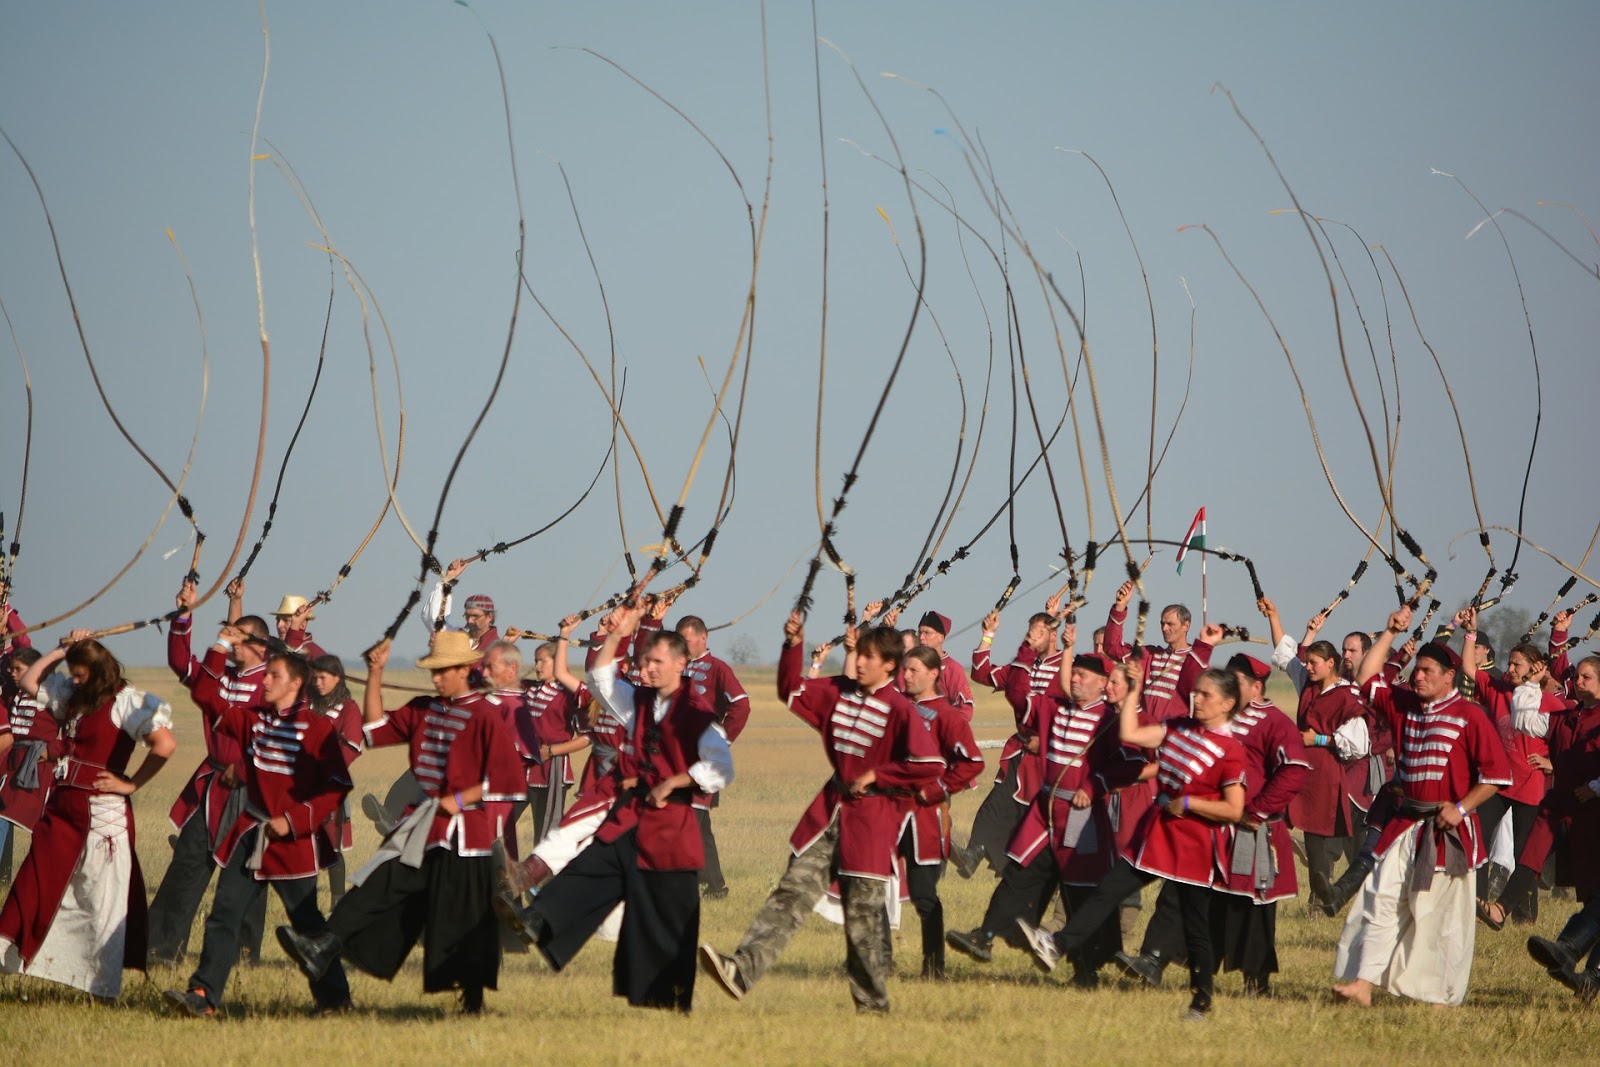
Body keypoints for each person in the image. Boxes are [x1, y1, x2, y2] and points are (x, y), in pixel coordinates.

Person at [699, 614, 943, 1013]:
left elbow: (929, 763)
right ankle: (740, 971)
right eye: (858, 654)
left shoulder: (901, 710)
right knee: (790, 895)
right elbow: (790, 690)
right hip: (828, 818)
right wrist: (793, 645)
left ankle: (873, 1006)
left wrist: (878, 775)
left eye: (869, 656)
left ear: (889, 666)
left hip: (871, 825)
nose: (859, 662)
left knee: (863, 923)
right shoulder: (838, 691)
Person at [500, 602, 733, 1011]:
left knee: (670, 916)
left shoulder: (699, 717)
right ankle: (538, 920)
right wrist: (618, 632)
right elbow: (601, 677)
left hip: (670, 831)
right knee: (594, 863)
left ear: (681, 663)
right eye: (647, 661)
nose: (649, 668)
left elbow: (719, 767)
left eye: (657, 661)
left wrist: (675, 782)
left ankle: (673, 999)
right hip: (630, 814)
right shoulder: (638, 701)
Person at [276, 630, 524, 1014]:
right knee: (378, 881)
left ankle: (472, 1003)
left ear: (464, 669)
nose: (436, 678)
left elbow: (505, 780)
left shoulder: (485, 716)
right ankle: (324, 945)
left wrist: (459, 798)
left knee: (464, 920)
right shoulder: (424, 708)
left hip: (464, 836)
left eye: (443, 671)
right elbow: (374, 728)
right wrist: (376, 672)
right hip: (424, 826)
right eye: (433, 671)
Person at [1016, 663, 1247, 1020]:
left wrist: (1188, 803)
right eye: (1196, 691)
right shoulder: (1178, 727)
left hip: (1194, 846)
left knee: (1194, 924)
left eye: (1206, 695)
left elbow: (1234, 810)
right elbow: (1130, 733)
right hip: (1156, 834)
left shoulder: (1231, 751)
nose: (1196, 698)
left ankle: (1201, 1001)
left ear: (1227, 704)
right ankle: (1056, 944)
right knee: (1109, 889)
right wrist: (1135, 689)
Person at [1330, 604, 1511, 1007]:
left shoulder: (1470, 715)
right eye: (1418, 670)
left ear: (1450, 677)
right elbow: (1366, 678)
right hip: (1404, 826)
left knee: (1437, 918)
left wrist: (1460, 809)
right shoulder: (1403, 705)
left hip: (1449, 834)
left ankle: (1440, 996)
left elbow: (1497, 778)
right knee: (1380, 897)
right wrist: (1391, 631)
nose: (1420, 676)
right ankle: (1362, 982)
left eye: (1430, 671)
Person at [164, 651, 353, 1017]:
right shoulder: (253, 720)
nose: (264, 681)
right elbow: (205, 694)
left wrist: (295, 821)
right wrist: (221, 644)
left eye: (274, 676)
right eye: (265, 674)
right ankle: (203, 996)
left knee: (308, 925)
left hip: (293, 843)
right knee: (223, 914)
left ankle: (335, 1001)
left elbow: (336, 786)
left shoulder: (318, 729)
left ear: (296, 684)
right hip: (250, 834)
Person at [946, 642, 1141, 979]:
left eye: (1083, 675)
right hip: (1043, 809)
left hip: (1082, 817)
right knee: (1017, 875)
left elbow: (1133, 764)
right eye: (1074, 673)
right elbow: (1019, 694)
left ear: (1101, 684)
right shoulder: (1053, 707)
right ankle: (986, 936)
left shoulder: (1110, 722)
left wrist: (1094, 787)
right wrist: (1024, 650)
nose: (1075, 679)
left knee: (1080, 889)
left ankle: (1086, 969)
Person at [0, 631, 175, 999]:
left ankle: (101, 986)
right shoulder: (74, 698)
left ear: (98, 671)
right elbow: (32, 680)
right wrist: (62, 651)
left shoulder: (128, 700)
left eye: (80, 675)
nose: (75, 681)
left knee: (100, 898)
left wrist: (132, 784)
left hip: (102, 814)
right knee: (35, 880)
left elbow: (165, 745)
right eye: (73, 674)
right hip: (62, 806)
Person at [147, 580, 270, 967]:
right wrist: (184, 613)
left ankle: (242, 956)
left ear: (260, 647)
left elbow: (281, 735)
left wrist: (247, 767)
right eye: (230, 639)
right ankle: (162, 948)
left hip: (253, 790)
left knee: (247, 873)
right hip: (212, 784)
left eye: (240, 640)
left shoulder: (273, 683)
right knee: (187, 862)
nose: (232, 644)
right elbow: (183, 666)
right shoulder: (222, 676)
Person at [1262, 597, 1372, 912]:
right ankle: (1265, 873)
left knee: (1316, 837)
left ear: (1330, 664)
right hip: (1295, 768)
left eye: (1314, 664)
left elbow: (1358, 744)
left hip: (1324, 772)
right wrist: (1275, 615)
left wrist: (1320, 738)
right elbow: (1286, 655)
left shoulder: (1347, 696)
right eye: (1308, 663)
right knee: (1268, 814)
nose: (1308, 668)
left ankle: (1324, 893)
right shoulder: (1307, 682)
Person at [1457, 606, 1556, 927]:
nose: (1510, 669)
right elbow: (1468, 667)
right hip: (1497, 783)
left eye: (1517, 665)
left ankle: (1524, 913)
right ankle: (1480, 902)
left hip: (1530, 785)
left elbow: (1564, 737)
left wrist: (1551, 763)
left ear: (1534, 669)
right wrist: (1471, 632)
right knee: (1479, 839)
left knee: (1524, 853)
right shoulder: (1497, 689)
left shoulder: (1545, 700)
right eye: (1510, 663)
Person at [954, 604, 1063, 877]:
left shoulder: (1067, 667)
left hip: (1050, 759)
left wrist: (1046, 738)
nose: (1030, 637)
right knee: (995, 805)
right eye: (1029, 632)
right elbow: (981, 672)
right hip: (1021, 753)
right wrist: (988, 635)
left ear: (1052, 635)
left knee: (1031, 821)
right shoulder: (1021, 667)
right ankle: (974, 852)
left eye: (1038, 632)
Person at [896, 645, 984, 977]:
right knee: (870, 884)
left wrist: (936, 790)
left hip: (924, 817)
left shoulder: (948, 715)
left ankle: (934, 968)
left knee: (922, 894)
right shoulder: (897, 708)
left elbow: (972, 763)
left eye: (913, 670)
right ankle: (872, 960)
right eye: (904, 669)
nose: (906, 675)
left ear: (934, 674)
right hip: (888, 812)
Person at [1518, 654, 1600, 999]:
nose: (1578, 682)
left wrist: (1596, 787)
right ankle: (1590, 980)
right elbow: (1527, 720)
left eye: (1586, 677)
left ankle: (1570, 950)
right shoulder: (1577, 716)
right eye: (1577, 677)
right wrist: (1532, 684)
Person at [675, 614, 749, 900]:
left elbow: (741, 706)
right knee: (697, 823)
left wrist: (721, 741)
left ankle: (694, 887)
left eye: (687, 640)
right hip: (674, 757)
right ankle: (715, 886)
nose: (683, 645)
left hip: (701, 760)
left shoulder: (717, 669)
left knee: (693, 820)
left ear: (703, 638)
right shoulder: (676, 668)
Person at [308, 654, 363, 906]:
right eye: (315, 677)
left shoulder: (349, 708)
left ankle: (337, 903)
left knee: (332, 844)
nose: (318, 682)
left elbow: (349, 748)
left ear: (337, 678)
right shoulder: (306, 703)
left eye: (323, 677)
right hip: (300, 783)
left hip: (330, 786)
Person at [1, 648, 53, 878]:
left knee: (44, 827)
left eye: (18, 669)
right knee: (2, 816)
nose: (12, 673)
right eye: (11, 668)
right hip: (13, 764)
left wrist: (52, 751)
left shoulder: (53, 694)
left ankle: (44, 875)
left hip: (39, 767)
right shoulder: (13, 693)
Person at [913, 610, 975, 718]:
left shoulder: (952, 668)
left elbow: (965, 709)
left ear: (941, 637)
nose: (921, 637)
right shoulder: (911, 665)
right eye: (920, 633)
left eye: (927, 633)